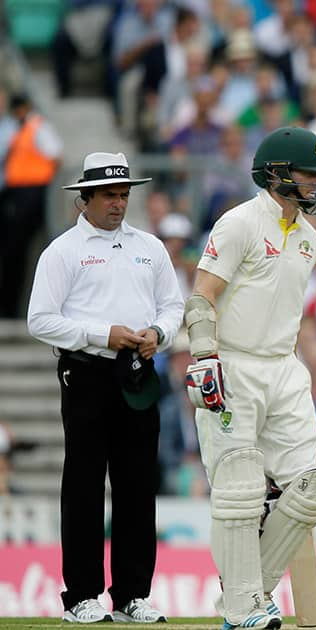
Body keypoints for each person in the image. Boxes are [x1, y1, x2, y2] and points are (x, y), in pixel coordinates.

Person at [183, 126, 316, 629]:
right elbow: (202, 295)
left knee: (309, 489)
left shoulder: (310, 239)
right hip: (234, 365)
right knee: (239, 493)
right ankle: (243, 607)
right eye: (307, 174)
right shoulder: (239, 224)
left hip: (284, 367)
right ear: (275, 174)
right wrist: (205, 357)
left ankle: (249, 595)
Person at [26, 151, 183, 623]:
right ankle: (81, 595)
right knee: (85, 483)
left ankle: (134, 594)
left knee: (138, 484)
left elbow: (173, 306)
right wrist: (101, 334)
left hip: (137, 368)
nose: (118, 204)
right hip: (87, 372)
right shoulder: (64, 251)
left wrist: (160, 333)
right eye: (110, 196)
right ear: (85, 199)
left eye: (124, 195)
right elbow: (40, 320)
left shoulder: (150, 248)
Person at [1, 94, 63, 317]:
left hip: (31, 194)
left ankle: (10, 307)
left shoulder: (38, 127)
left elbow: (55, 154)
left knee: (17, 251)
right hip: (16, 193)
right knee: (12, 252)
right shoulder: (19, 128)